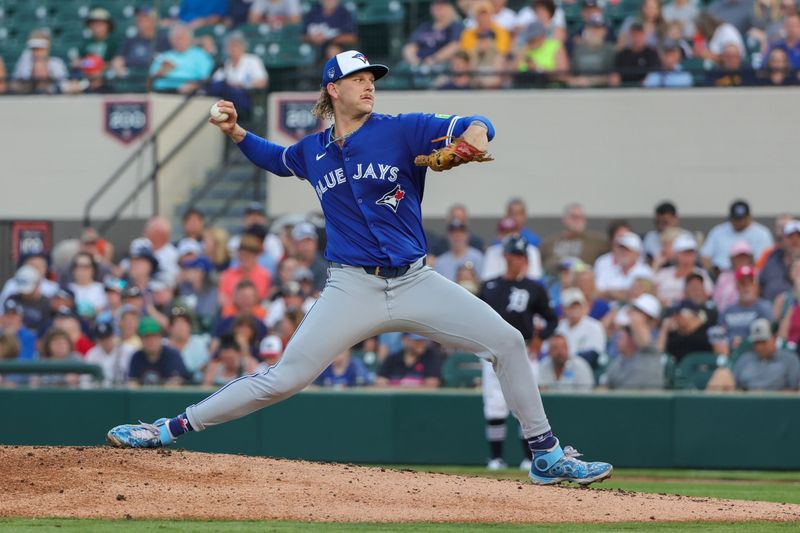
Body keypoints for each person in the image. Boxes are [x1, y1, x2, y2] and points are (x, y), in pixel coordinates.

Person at [107, 49, 612, 486]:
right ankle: (166, 430)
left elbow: (477, 124)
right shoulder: (314, 150)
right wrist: (238, 131)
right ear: (333, 88)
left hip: (416, 280)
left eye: (372, 79)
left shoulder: (401, 130)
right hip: (352, 287)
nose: (370, 84)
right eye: (358, 79)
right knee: (285, 378)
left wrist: (474, 139)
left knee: (507, 341)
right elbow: (277, 158)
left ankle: (544, 454)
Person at [479, 234, 558, 471]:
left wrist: (540, 338)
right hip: (493, 349)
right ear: (505, 256)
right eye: (513, 255)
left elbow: (551, 319)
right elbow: (476, 318)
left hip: (523, 349)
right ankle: (495, 458)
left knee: (525, 403)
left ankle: (529, 457)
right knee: (494, 403)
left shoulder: (534, 287)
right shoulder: (490, 286)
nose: (517, 260)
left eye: (520, 256)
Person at [603, 294, 664, 390]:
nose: (634, 315)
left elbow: (645, 341)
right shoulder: (621, 358)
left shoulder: (651, 348)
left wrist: (633, 318)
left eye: (640, 312)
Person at [701, 200, 774, 273]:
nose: (739, 222)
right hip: (720, 274)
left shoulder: (762, 233)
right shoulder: (718, 231)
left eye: (741, 219)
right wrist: (712, 273)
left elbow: (766, 260)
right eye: (736, 219)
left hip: (749, 275)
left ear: (749, 217)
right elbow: (705, 256)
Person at [209, 32, 269, 116]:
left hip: (246, 96)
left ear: (243, 47)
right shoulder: (226, 63)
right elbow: (215, 81)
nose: (232, 49)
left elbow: (263, 82)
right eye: (230, 46)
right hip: (227, 97)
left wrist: (244, 84)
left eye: (235, 46)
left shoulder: (252, 60)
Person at [733, 318, 800, 390]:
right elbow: (734, 387)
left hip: (777, 399)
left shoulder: (789, 359)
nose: (760, 347)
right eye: (757, 343)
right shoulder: (744, 360)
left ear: (774, 339)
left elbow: (794, 390)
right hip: (747, 399)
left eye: (763, 342)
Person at [540, 203, 607, 275]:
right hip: (554, 280)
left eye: (581, 217)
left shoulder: (597, 241)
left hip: (583, 281)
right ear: (564, 219)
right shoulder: (550, 242)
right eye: (574, 217)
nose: (578, 220)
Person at [718, 265, 773, 350]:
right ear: (737, 286)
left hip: (754, 352)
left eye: (750, 282)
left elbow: (769, 334)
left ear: (756, 285)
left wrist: (744, 341)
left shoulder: (764, 307)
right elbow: (720, 332)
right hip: (730, 351)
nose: (746, 287)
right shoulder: (728, 310)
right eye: (743, 283)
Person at [149, 24, 214, 93]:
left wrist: (194, 85)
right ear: (171, 40)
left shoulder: (201, 55)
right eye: (175, 38)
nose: (179, 41)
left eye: (182, 37)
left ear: (190, 39)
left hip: (191, 94)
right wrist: (163, 70)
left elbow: (207, 78)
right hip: (163, 92)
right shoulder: (164, 56)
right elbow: (152, 80)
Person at [128, 317, 191, 387]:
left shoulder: (172, 355)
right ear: (141, 339)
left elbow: (178, 381)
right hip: (143, 397)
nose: (150, 341)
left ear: (160, 337)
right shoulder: (136, 357)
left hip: (168, 397)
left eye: (154, 336)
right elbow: (132, 382)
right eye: (146, 337)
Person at [111, 6, 171, 78]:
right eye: (139, 17)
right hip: (130, 77)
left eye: (145, 17)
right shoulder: (131, 40)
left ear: (155, 21)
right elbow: (118, 59)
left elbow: (170, 62)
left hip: (152, 78)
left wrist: (157, 75)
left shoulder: (164, 40)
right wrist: (120, 71)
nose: (140, 19)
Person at [403, 0, 465, 69]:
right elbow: (410, 46)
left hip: (442, 65)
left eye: (441, 5)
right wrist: (413, 59)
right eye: (435, 4)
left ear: (450, 7)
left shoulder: (456, 26)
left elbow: (455, 46)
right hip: (417, 64)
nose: (437, 7)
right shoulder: (425, 26)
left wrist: (434, 59)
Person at [654, 235, 713, 306]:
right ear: (676, 254)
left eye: (691, 253)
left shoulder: (702, 274)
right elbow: (652, 290)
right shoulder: (664, 273)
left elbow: (708, 294)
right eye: (684, 253)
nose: (688, 256)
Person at [594, 232, 654, 302]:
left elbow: (640, 296)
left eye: (627, 250)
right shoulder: (606, 267)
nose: (622, 253)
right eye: (621, 249)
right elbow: (596, 293)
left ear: (637, 254)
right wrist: (624, 293)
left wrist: (609, 293)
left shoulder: (645, 271)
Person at [557, 288, 606, 367]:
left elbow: (594, 355)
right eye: (571, 307)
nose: (575, 310)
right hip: (563, 369)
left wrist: (567, 359)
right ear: (564, 309)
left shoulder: (594, 326)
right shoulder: (559, 327)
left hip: (588, 369)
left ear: (583, 307)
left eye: (577, 306)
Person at [11, 30, 69, 94]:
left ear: (47, 49)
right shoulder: (24, 63)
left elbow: (65, 86)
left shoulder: (56, 63)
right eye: (33, 49)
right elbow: (14, 85)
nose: (36, 52)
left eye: (40, 49)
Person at [376, 333, 443, 388]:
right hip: (396, 402)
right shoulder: (393, 358)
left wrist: (398, 388)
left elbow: (432, 384)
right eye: (417, 340)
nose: (422, 343)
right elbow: (380, 381)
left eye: (424, 340)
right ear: (405, 340)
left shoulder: (431, 356)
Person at [568, 13, 616, 88]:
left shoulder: (610, 50)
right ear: (587, 29)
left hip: (604, 91)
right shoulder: (578, 50)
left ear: (605, 31)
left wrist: (590, 81)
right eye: (593, 28)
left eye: (599, 28)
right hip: (580, 92)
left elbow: (613, 78)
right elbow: (571, 74)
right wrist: (575, 81)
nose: (596, 32)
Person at [760, 219, 800, 302]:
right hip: (771, 310)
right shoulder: (771, 260)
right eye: (790, 236)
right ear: (782, 240)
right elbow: (760, 285)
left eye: (799, 236)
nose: (795, 240)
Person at [610, 21, 661, 86]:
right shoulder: (622, 54)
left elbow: (654, 74)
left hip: (646, 90)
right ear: (630, 36)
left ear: (645, 35)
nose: (637, 38)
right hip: (624, 90)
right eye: (634, 35)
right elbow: (615, 74)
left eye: (640, 34)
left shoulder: (652, 54)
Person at [167, 307, 210, 383]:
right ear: (170, 328)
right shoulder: (163, 344)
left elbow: (206, 367)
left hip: (197, 385)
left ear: (189, 326)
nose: (181, 327)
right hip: (169, 388)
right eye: (177, 323)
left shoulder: (200, 342)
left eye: (184, 323)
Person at [85, 321, 134, 387]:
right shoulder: (92, 354)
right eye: (102, 339)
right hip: (100, 392)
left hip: (122, 392)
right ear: (97, 340)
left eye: (107, 337)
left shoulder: (128, 351)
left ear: (113, 335)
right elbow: (86, 380)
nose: (105, 341)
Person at [713, 241, 755, 312]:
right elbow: (716, 299)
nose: (742, 260)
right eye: (738, 257)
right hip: (727, 315)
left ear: (750, 258)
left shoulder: (756, 275)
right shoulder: (724, 277)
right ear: (732, 259)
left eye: (744, 256)